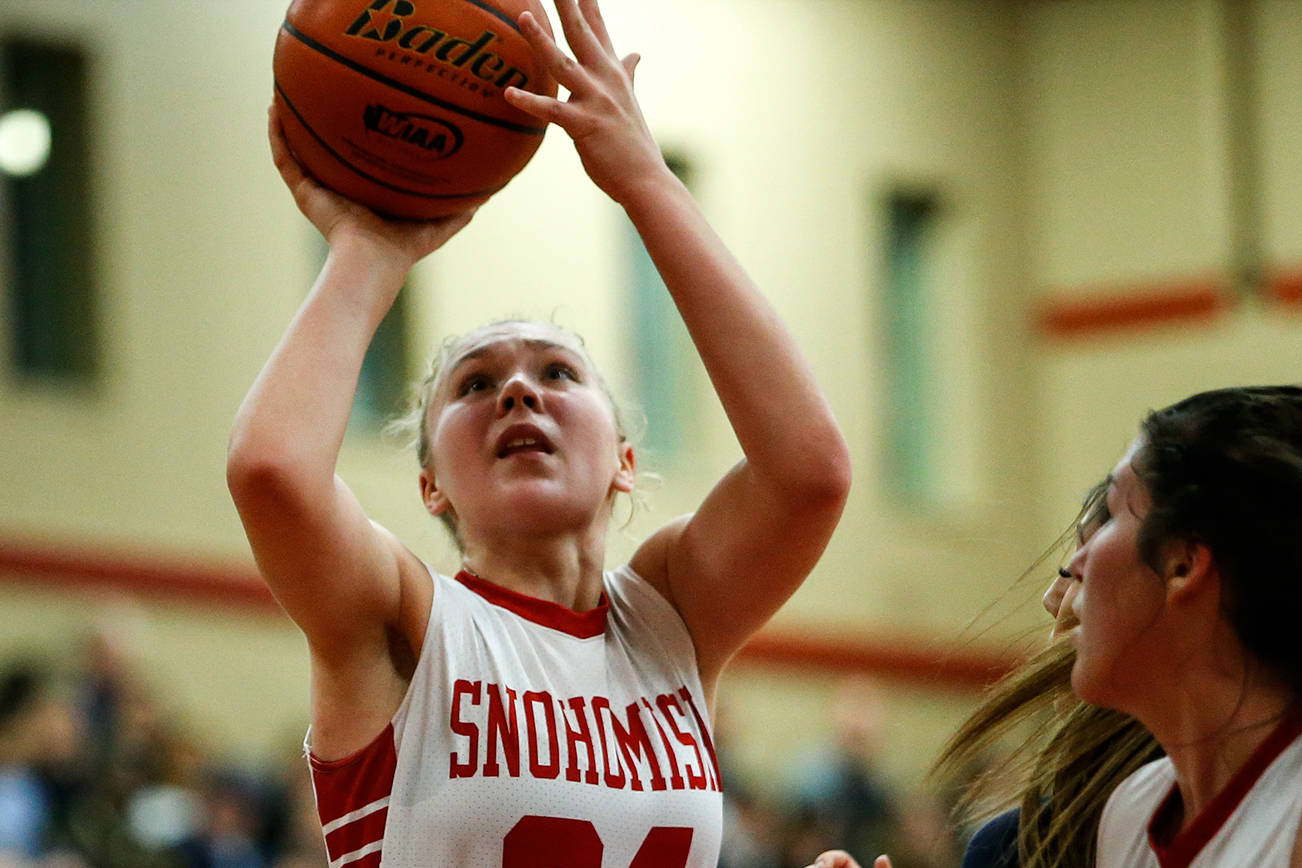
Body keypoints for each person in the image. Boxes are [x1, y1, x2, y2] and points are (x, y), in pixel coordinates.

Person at [225, 0, 852, 865]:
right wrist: (368, 252)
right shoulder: (403, 621)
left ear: (626, 462)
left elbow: (809, 473)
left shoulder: (671, 618)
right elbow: (272, 473)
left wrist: (647, 180)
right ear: (430, 483)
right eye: (475, 385)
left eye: (558, 373)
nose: (519, 390)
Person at [807, 385, 1302, 868]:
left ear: (1183, 564)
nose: (1065, 579)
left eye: (1108, 515)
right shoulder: (1132, 809)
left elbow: (804, 472)